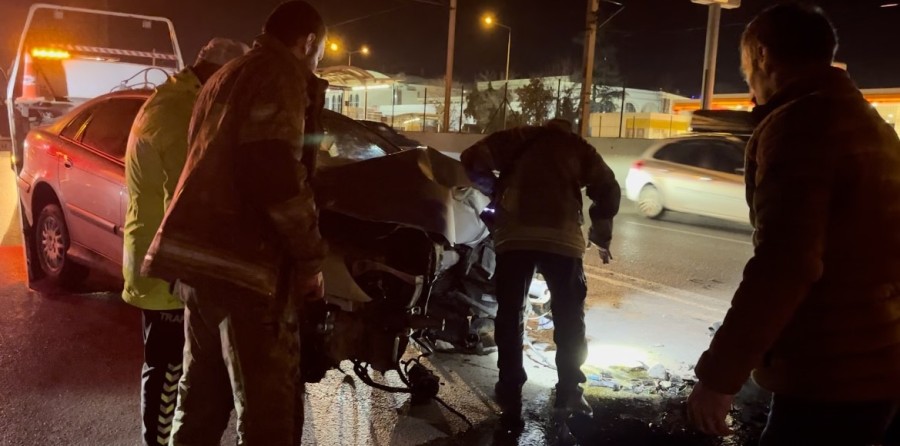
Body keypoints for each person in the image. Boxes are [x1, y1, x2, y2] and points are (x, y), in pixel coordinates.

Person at [687, 4, 900, 445]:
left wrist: (719, 377)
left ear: (763, 55)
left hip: (830, 370)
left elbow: (785, 263)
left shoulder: (800, 125)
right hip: (881, 358)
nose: (748, 81)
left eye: (745, 66)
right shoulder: (870, 123)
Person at [140, 1, 329, 444]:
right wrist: (310, 261)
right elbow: (277, 175)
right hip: (246, 275)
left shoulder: (223, 77)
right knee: (269, 421)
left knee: (199, 409)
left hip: (200, 271)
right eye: (319, 52)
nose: (317, 61)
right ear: (307, 43)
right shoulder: (279, 75)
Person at [122, 37, 248, 446]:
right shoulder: (179, 112)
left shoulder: (178, 98)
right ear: (221, 74)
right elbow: (190, 196)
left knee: (170, 368)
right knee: (168, 371)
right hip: (167, 268)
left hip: (165, 260)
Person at [460, 118, 620, 424]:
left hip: (514, 235)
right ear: (568, 130)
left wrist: (496, 190)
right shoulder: (578, 148)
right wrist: (601, 234)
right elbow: (607, 187)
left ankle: (510, 387)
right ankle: (569, 391)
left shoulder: (515, 138)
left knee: (510, 314)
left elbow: (471, 159)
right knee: (569, 317)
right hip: (562, 240)